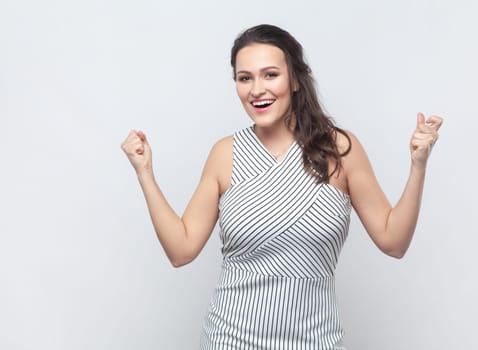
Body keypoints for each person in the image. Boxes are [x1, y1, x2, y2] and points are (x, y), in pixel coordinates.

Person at [121, 24, 443, 349]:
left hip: (316, 341)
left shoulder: (340, 149)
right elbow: (181, 249)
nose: (256, 89)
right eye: (245, 78)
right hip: (229, 341)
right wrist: (145, 172)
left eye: (270, 75)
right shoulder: (225, 154)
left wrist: (418, 164)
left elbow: (394, 241)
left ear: (296, 80)